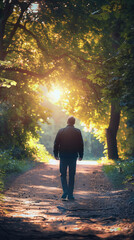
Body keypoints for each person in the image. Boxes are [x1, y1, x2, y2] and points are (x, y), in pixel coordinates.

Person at [53, 116, 84, 200]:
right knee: (71, 175)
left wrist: (55, 154)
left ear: (67, 122)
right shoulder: (77, 131)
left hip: (63, 155)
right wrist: (81, 155)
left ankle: (65, 191)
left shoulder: (61, 131)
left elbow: (56, 143)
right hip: (73, 156)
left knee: (63, 174)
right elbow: (80, 144)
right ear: (74, 122)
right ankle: (70, 194)